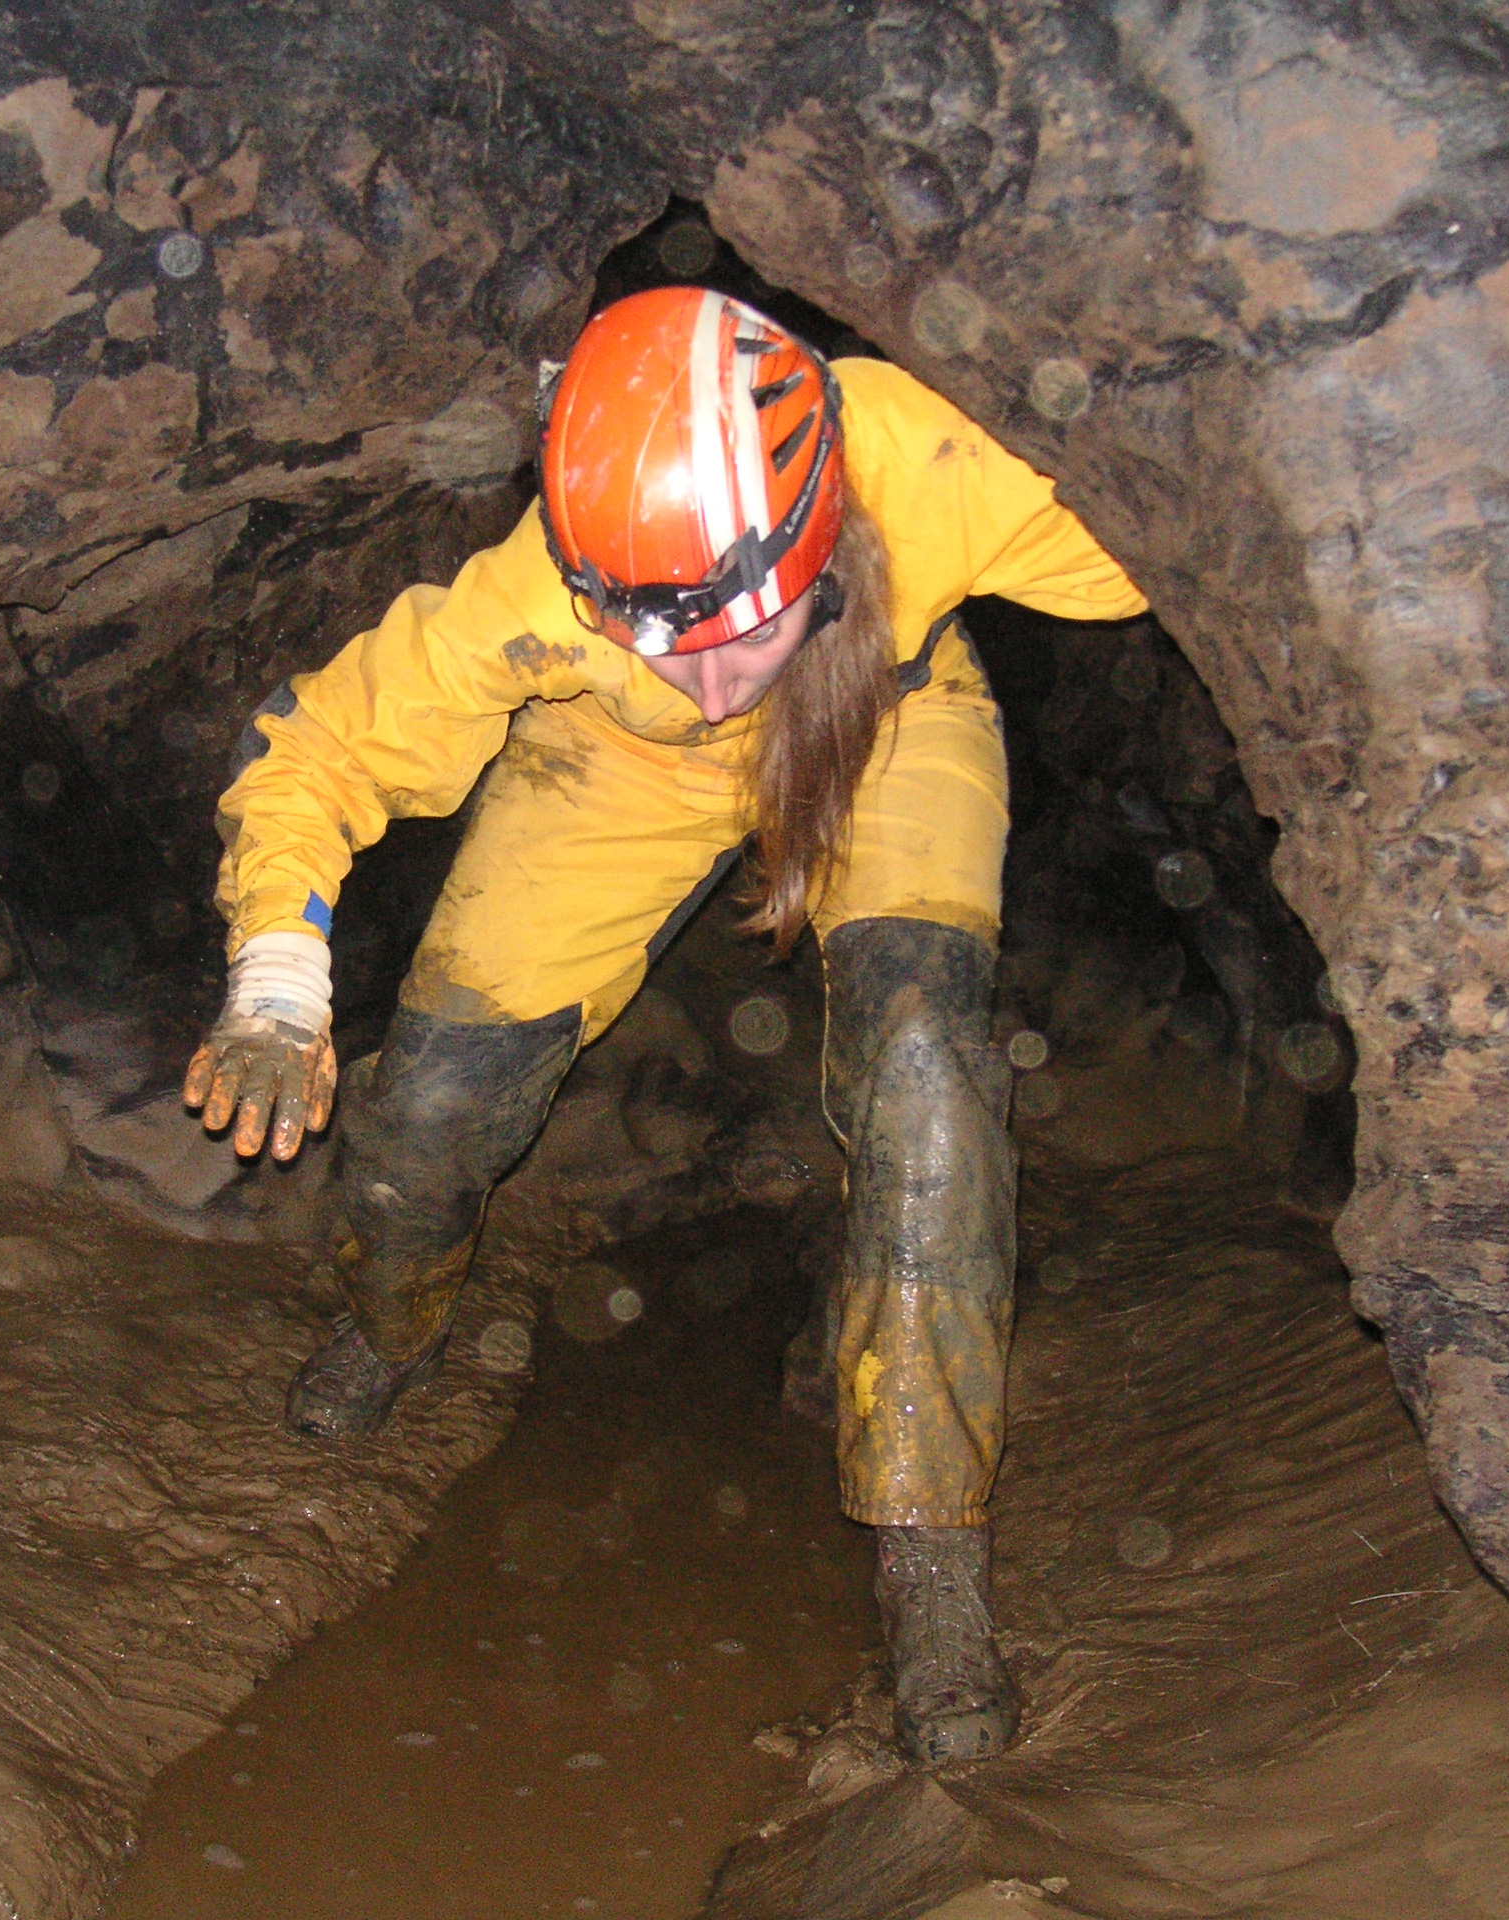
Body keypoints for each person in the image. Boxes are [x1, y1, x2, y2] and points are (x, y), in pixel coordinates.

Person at [183, 285, 1146, 1764]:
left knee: (930, 1083)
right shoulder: (544, 604)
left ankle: (930, 1553)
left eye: (734, 636)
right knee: (430, 1106)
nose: (703, 685)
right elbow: (318, 749)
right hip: (613, 767)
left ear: (820, 539)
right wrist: (275, 981)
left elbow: (1200, 539)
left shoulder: (927, 461)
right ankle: (388, 1330)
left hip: (888, 716)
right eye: (655, 635)